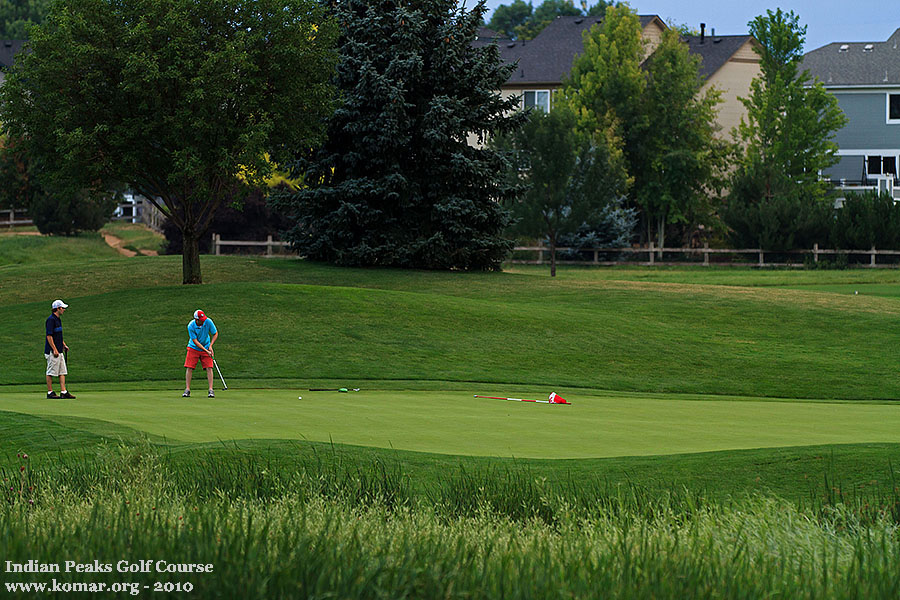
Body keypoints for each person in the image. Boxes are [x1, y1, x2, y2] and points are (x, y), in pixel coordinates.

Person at [183, 309, 218, 398]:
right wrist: (206, 351)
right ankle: (187, 389)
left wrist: (210, 346)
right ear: (196, 320)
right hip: (193, 348)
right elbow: (195, 341)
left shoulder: (208, 321)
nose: (203, 322)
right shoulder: (191, 326)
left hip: (206, 345)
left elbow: (215, 333)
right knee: (189, 367)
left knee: (209, 367)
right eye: (201, 321)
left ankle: (211, 390)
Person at [45, 299, 75, 399]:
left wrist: (63, 345)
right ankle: (50, 392)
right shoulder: (51, 320)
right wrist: (54, 349)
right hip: (52, 351)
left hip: (59, 349)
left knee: (62, 371)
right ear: (57, 308)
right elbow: (49, 336)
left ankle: (63, 391)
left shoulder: (58, 319)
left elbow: (58, 335)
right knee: (51, 372)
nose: (64, 310)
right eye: (62, 308)